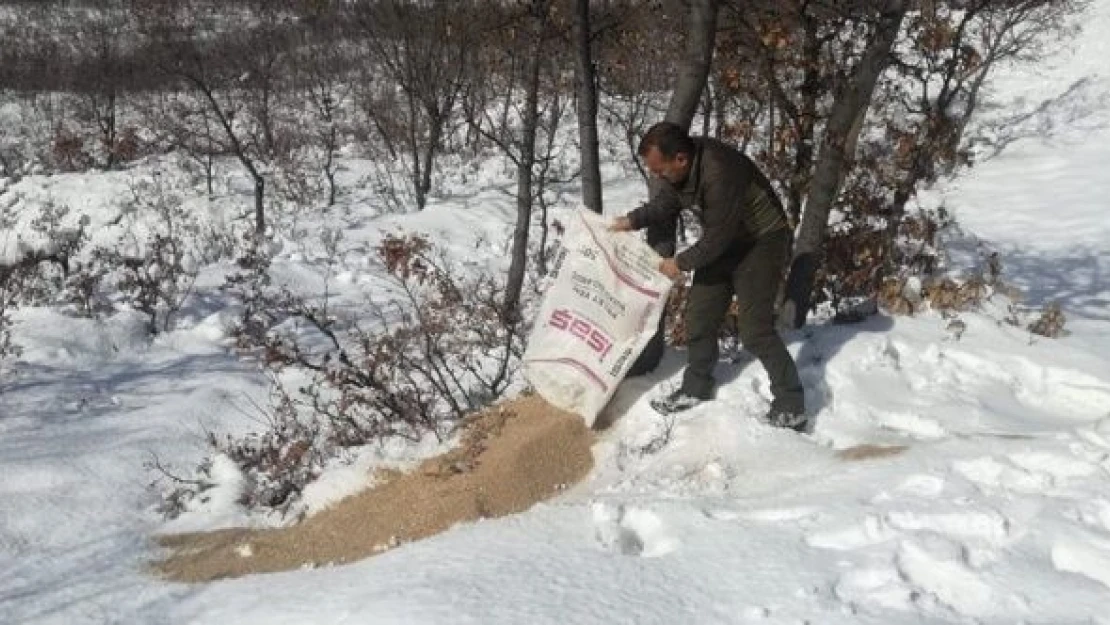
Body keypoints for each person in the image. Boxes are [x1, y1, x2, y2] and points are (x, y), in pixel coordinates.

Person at [610, 121, 806, 431]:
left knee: (755, 330)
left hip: (761, 241)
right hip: (726, 241)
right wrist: (632, 220)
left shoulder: (719, 171)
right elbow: (668, 202)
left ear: (680, 159)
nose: (657, 176)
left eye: (659, 170)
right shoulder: (684, 166)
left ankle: (791, 404)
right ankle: (696, 387)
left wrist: (681, 263)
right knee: (699, 316)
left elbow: (717, 237)